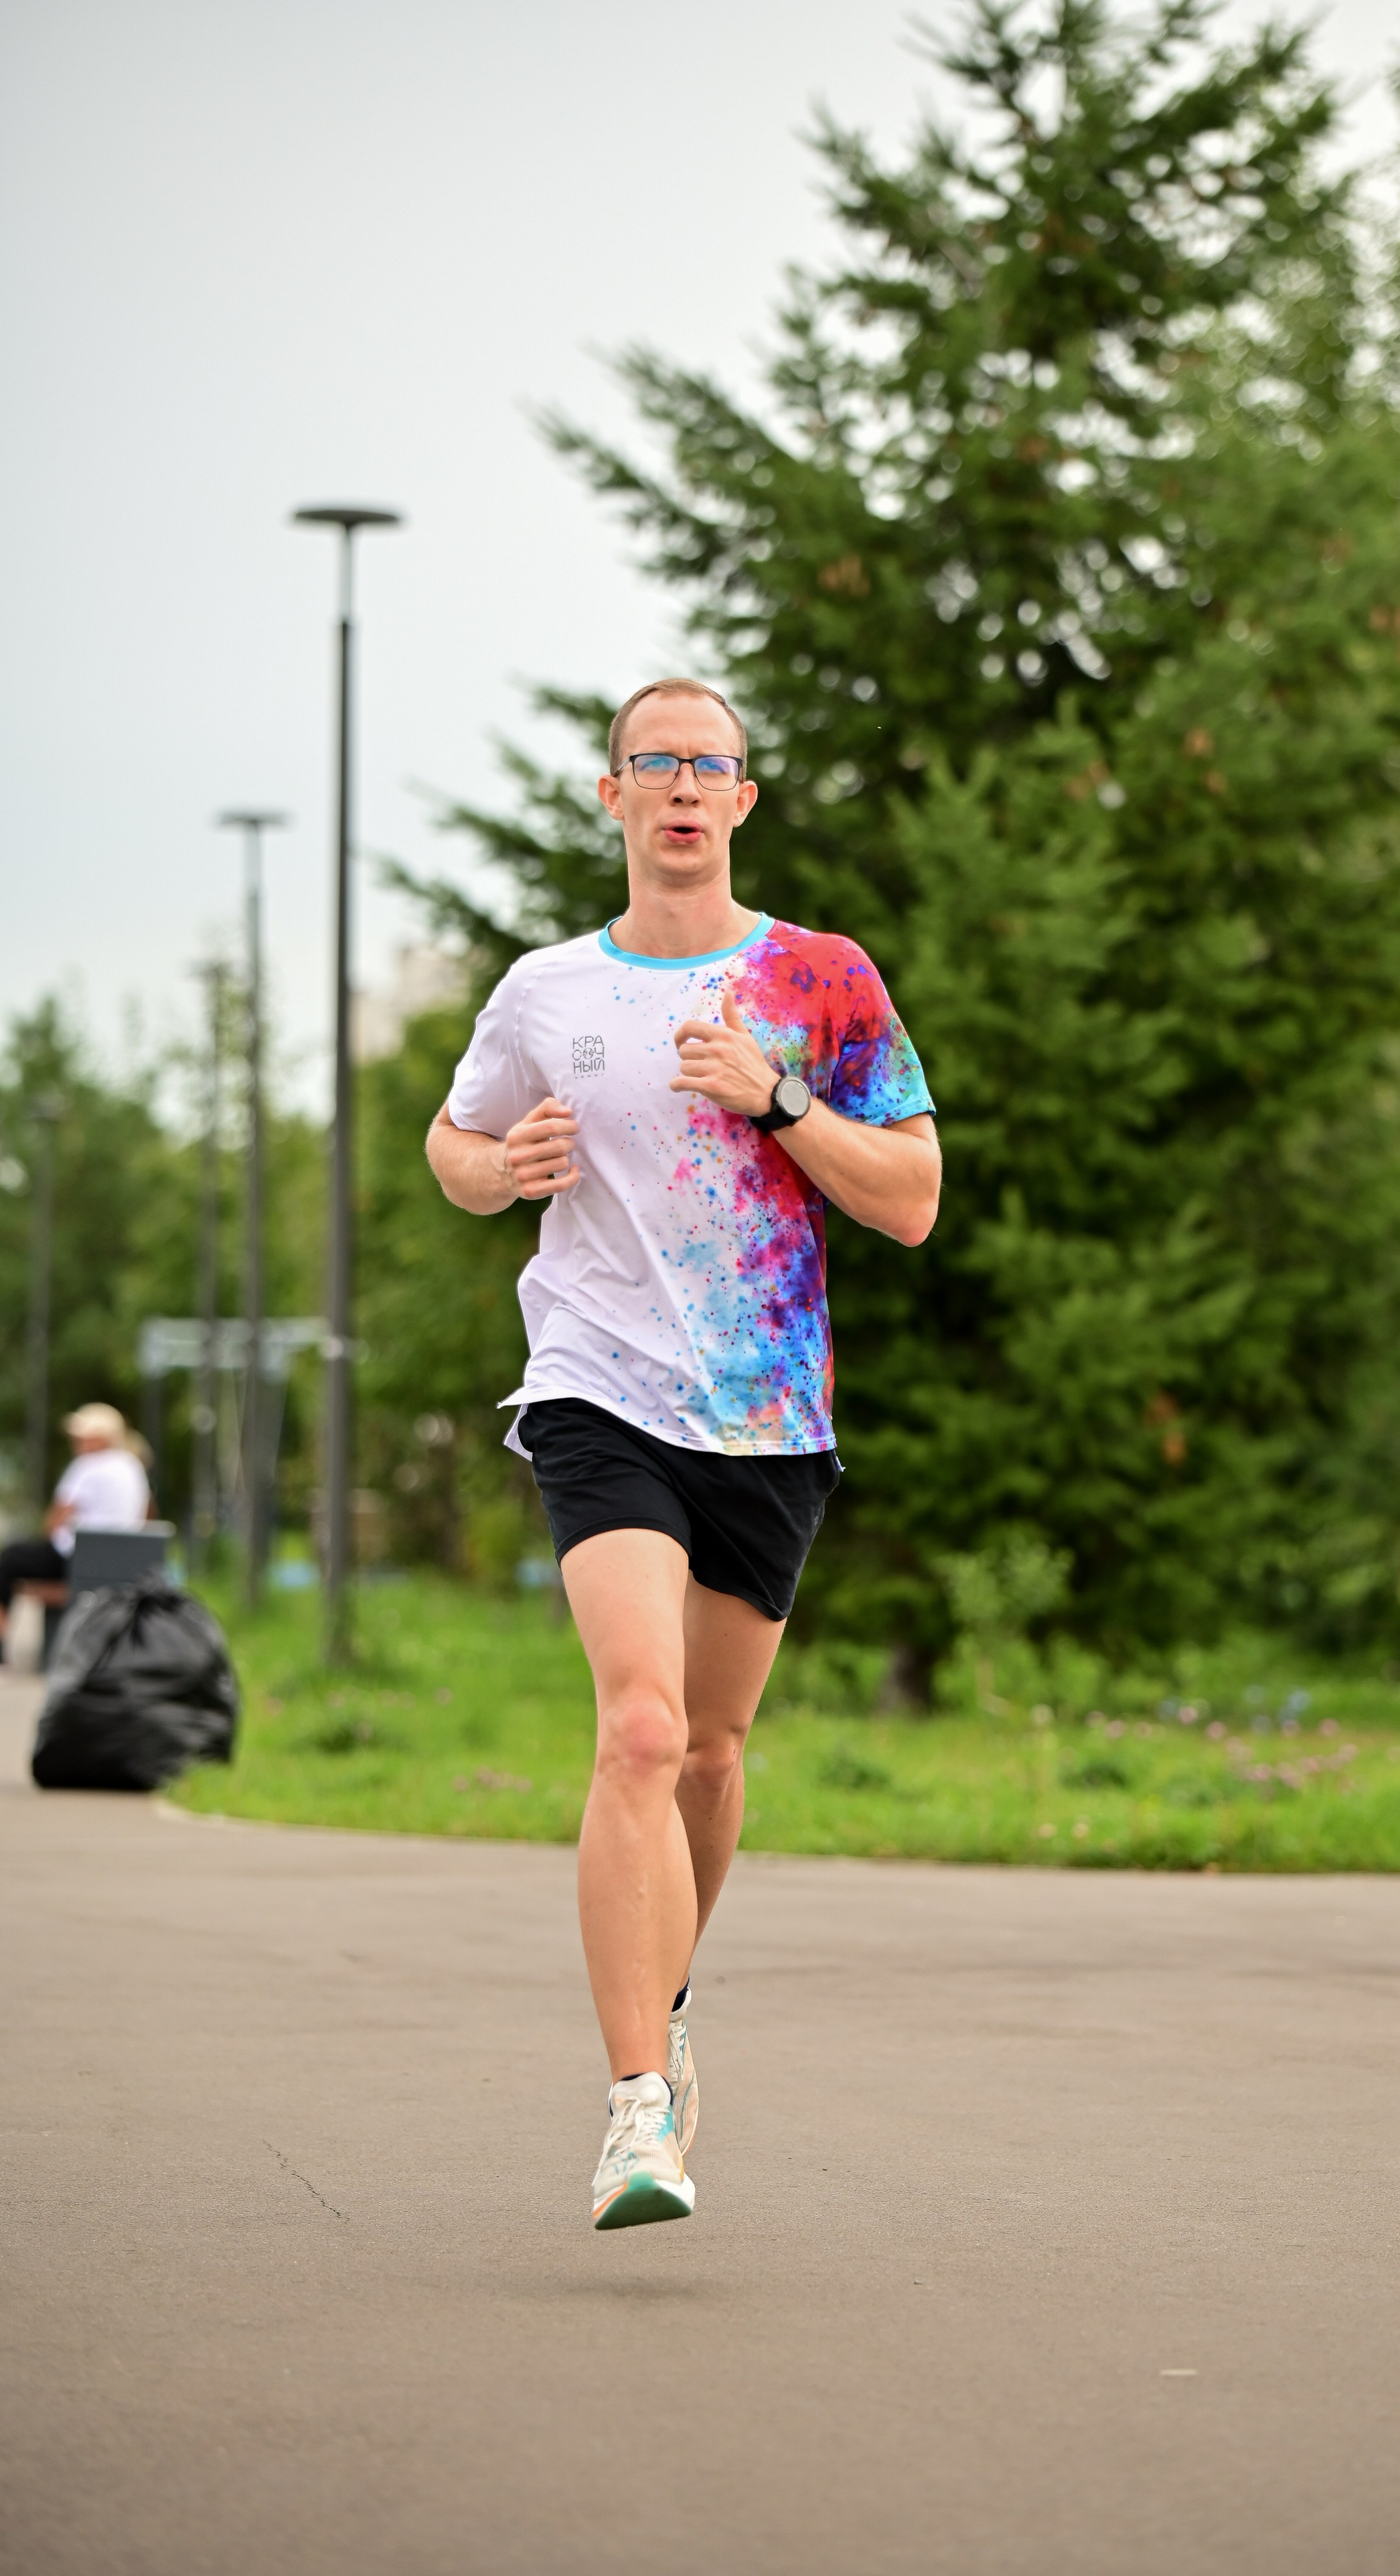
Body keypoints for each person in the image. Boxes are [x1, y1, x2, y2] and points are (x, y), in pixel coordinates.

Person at [426, 677, 939, 2231]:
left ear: (741, 799)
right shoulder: (546, 991)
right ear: (613, 796)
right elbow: (456, 1143)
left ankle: (669, 1995)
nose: (680, 787)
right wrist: (498, 1167)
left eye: (707, 765)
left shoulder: (817, 975)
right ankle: (635, 2108)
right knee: (641, 1729)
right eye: (652, 763)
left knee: (711, 1754)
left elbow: (910, 1196)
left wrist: (775, 1097)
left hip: (766, 1415)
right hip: (596, 1391)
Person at [0, 1403, 153, 1658]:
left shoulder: (86, 1466)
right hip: (120, 1564)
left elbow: (56, 1521)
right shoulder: (133, 1466)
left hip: (78, 1561)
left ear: (100, 1438)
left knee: (11, 1558)